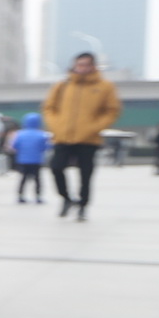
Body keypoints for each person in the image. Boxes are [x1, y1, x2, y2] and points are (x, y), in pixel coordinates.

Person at [42, 50, 121, 220]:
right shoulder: (62, 86)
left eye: (86, 65)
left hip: (88, 139)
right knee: (56, 167)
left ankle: (83, 206)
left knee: (86, 174)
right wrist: (56, 126)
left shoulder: (105, 87)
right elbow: (49, 108)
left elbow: (112, 111)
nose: (82, 68)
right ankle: (66, 198)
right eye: (79, 65)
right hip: (63, 137)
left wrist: (94, 127)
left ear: (93, 66)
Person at [8, 110, 52, 203]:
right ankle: (38, 196)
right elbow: (46, 147)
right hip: (36, 160)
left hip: (23, 160)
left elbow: (14, 146)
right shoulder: (42, 135)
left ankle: (20, 196)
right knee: (37, 179)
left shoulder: (19, 134)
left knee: (23, 179)